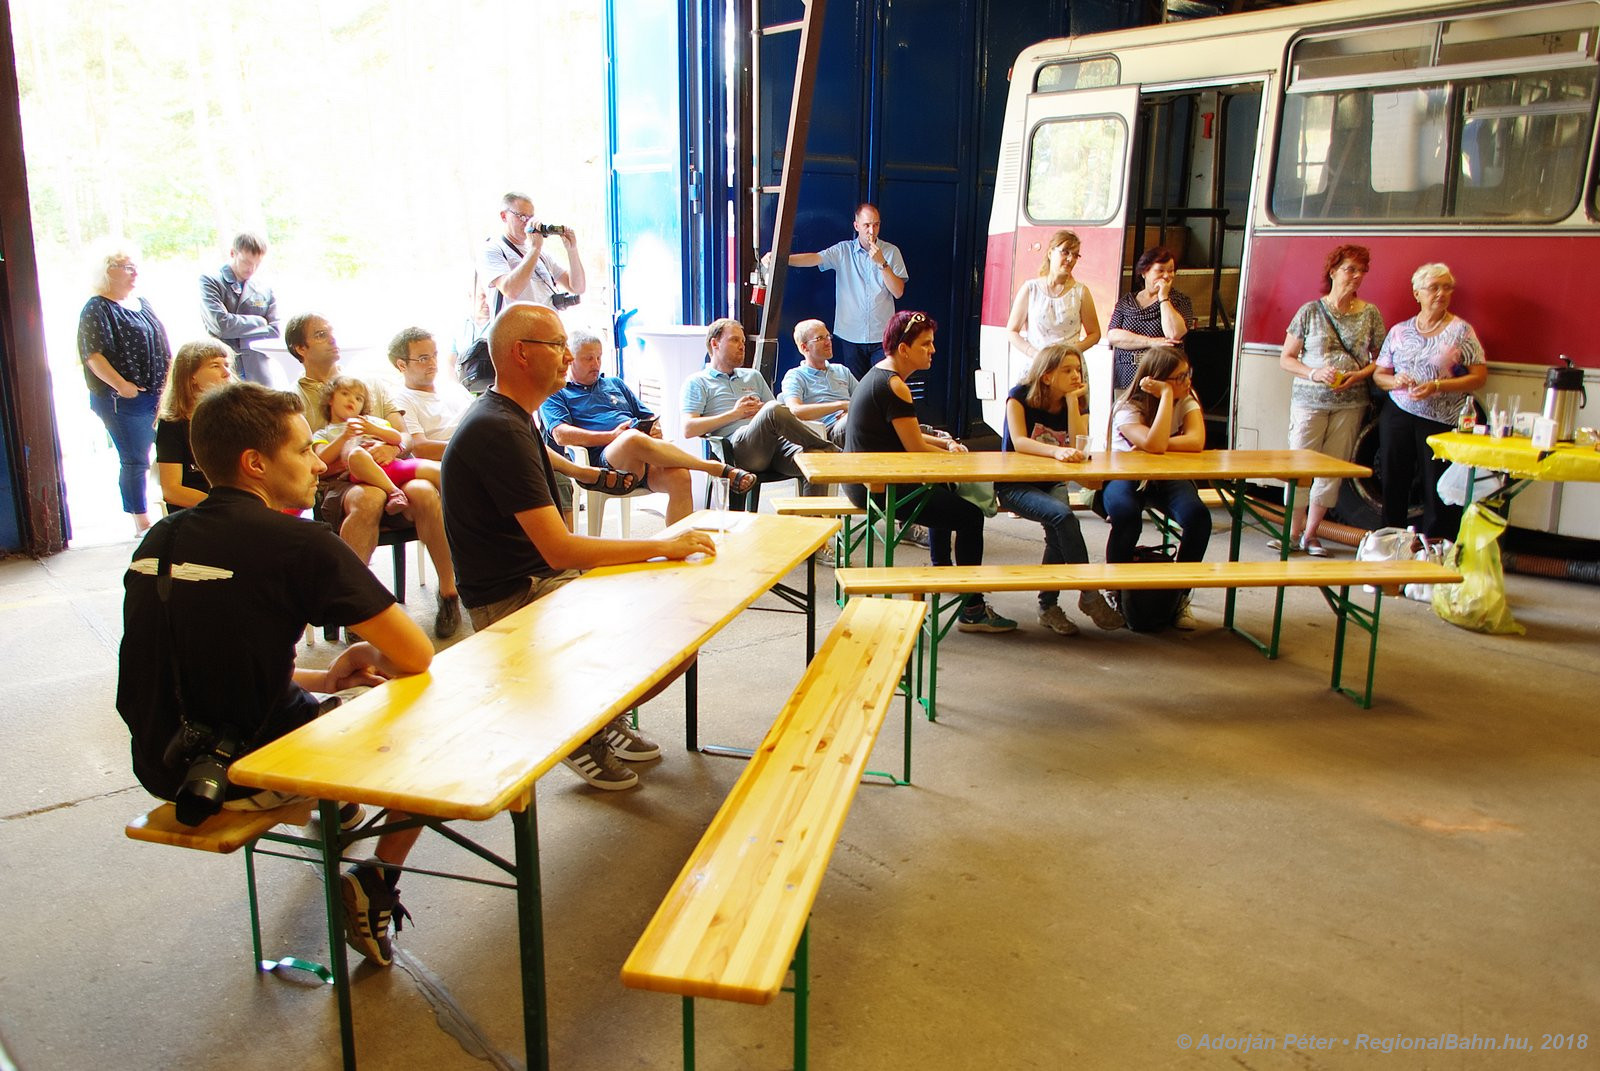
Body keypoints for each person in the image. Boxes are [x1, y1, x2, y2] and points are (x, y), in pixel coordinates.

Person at [117, 380, 435, 967]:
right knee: (439, 710)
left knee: (339, 696)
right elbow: (415, 654)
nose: (317, 463)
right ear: (255, 463)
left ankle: (340, 809)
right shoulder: (299, 543)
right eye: (302, 449)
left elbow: (203, 665)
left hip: (165, 763)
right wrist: (374, 656)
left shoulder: (157, 538)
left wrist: (326, 677)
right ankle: (378, 878)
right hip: (249, 773)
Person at [442, 303, 715, 790]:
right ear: (521, 353)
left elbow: (549, 477)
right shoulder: (498, 427)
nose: (568, 357)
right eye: (557, 346)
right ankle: (575, 727)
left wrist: (588, 474)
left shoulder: (510, 414)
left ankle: (596, 716)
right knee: (668, 635)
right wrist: (660, 545)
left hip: (542, 577)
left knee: (678, 625)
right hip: (514, 596)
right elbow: (560, 551)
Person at [285, 313, 461, 638]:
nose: (332, 338)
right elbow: (298, 458)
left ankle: (449, 592)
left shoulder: (371, 385)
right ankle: (357, 609)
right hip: (339, 481)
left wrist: (392, 448)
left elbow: (405, 437)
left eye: (331, 331)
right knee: (369, 497)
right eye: (321, 334)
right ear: (300, 348)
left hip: (392, 468)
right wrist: (351, 458)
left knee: (424, 491)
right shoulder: (292, 400)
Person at [843, 310, 1016, 633]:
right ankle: (972, 609)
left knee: (945, 490)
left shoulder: (880, 375)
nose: (933, 350)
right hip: (879, 488)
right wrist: (960, 460)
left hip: (864, 481)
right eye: (925, 344)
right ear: (903, 349)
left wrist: (948, 445)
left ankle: (943, 571)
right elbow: (916, 449)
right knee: (970, 516)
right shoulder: (895, 385)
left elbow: (909, 435)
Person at [388, 325, 624, 529]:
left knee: (548, 467)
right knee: (517, 448)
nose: (432, 363)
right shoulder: (403, 399)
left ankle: (572, 510)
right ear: (401, 365)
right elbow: (420, 448)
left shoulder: (455, 390)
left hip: (487, 446)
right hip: (463, 459)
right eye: (423, 358)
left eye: (434, 355)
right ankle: (580, 477)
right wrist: (472, 447)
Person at [542, 330, 750, 525]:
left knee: (680, 476)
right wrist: (612, 436)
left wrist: (654, 428)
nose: (596, 364)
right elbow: (561, 435)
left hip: (642, 459)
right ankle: (712, 467)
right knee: (631, 438)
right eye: (588, 359)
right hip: (605, 466)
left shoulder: (614, 383)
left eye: (599, 357)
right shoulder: (558, 392)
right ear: (570, 360)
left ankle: (679, 544)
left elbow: (648, 415)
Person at [998, 343, 1123, 635]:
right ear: (1046, 376)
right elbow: (1019, 441)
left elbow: (1079, 442)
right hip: (1014, 484)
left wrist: (1072, 402)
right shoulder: (1019, 397)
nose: (1076, 375)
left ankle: (1048, 607)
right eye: (1067, 370)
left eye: (1078, 369)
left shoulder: (1075, 399)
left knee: (1058, 531)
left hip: (1052, 481)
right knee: (1063, 517)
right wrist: (1055, 452)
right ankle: (1088, 594)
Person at [1274, 244, 1386, 556]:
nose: (1357, 276)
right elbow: (1287, 358)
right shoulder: (1310, 311)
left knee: (1332, 469)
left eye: (1362, 271)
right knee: (1300, 467)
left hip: (1350, 402)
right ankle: (1291, 533)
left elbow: (1383, 359)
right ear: (1333, 271)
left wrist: (1359, 375)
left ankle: (1311, 535)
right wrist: (1314, 373)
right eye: (1350, 269)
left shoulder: (1370, 313)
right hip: (1309, 401)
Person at [1373, 263, 1488, 540]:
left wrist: (1437, 385)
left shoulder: (1461, 331)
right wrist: (1395, 381)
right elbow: (1379, 375)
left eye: (1447, 287)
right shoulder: (1399, 331)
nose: (1441, 293)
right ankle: (1391, 541)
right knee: (1393, 480)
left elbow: (1479, 377)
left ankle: (1436, 547)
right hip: (1398, 413)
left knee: (1437, 487)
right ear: (1417, 293)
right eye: (1434, 287)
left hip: (1441, 419)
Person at [1103, 346, 1210, 630]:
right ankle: (1116, 592)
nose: (1188, 381)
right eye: (1180, 377)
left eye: (1188, 373)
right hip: (1126, 475)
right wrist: (1164, 398)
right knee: (1126, 517)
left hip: (1167, 476)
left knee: (1198, 518)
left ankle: (1179, 596)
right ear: (1156, 380)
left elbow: (1196, 441)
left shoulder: (1186, 398)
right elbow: (1154, 443)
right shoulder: (1128, 407)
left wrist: (1156, 445)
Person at [682, 318, 837, 494]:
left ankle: (812, 514)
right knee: (772, 410)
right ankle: (831, 448)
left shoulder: (753, 376)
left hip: (775, 446)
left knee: (816, 460)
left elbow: (778, 414)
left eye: (743, 341)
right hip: (740, 450)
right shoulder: (698, 382)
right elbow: (688, 429)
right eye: (734, 340)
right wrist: (735, 414)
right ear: (715, 343)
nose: (742, 346)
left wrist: (762, 410)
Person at [78, 247, 172, 535]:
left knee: (169, 450)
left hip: (157, 392)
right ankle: (141, 521)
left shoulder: (141, 303)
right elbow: (92, 355)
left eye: (135, 266)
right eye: (127, 267)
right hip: (123, 399)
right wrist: (122, 385)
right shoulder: (97, 308)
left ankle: (170, 508)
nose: (135, 272)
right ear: (107, 271)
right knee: (136, 458)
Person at [782, 203, 909, 376]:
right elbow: (815, 258)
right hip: (851, 335)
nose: (871, 231)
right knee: (855, 386)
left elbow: (898, 292)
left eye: (876, 225)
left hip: (882, 335)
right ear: (856, 226)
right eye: (866, 225)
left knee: (883, 384)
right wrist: (781, 259)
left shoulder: (891, 252)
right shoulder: (843, 250)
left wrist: (882, 263)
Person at [313, 375, 442, 516]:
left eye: (358, 398)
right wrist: (344, 437)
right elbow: (322, 459)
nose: (352, 400)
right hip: (363, 475)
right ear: (330, 399)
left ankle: (453, 514)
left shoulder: (371, 422)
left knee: (439, 470)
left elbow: (398, 438)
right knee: (356, 454)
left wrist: (373, 429)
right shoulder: (323, 434)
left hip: (392, 466)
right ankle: (394, 492)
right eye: (345, 394)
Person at [155, 340, 235, 511]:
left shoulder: (236, 415)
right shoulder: (172, 424)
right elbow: (171, 490)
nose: (227, 373)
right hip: (198, 511)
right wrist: (222, 506)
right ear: (191, 376)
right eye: (215, 366)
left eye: (227, 365)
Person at [1005, 229, 1102, 361]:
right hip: (1038, 365)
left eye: (1075, 255)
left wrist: (1071, 351)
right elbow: (1011, 331)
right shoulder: (1030, 289)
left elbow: (1095, 334)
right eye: (1065, 252)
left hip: (1068, 365)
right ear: (1050, 253)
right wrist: (1034, 354)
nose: (1070, 259)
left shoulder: (1081, 292)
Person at [481, 192, 586, 313]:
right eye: (522, 217)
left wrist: (572, 250)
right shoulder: (493, 250)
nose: (527, 223)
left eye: (530, 218)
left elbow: (577, 287)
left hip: (547, 323)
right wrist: (535, 248)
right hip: (516, 325)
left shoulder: (541, 255)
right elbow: (510, 290)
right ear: (504, 216)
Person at [1106, 247, 1193, 392]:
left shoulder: (1180, 301)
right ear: (1144, 272)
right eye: (1160, 270)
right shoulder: (1126, 302)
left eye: (1171, 270)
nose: (1166, 276)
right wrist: (1151, 342)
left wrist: (1163, 297)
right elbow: (1113, 335)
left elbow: (1174, 333)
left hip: (1163, 374)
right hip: (1126, 376)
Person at [198, 233, 280, 385]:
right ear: (232, 253)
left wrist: (235, 325)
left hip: (258, 369)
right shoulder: (211, 281)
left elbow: (275, 330)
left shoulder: (265, 288)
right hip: (226, 366)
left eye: (257, 264)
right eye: (246, 262)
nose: (251, 268)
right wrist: (260, 322)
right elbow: (221, 325)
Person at [780, 318, 859, 447]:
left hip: (850, 421)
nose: (828, 342)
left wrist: (851, 412)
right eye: (820, 338)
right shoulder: (795, 376)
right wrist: (841, 405)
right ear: (804, 347)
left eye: (828, 336)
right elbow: (795, 410)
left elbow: (863, 400)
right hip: (827, 431)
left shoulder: (841, 370)